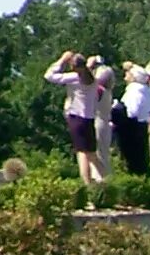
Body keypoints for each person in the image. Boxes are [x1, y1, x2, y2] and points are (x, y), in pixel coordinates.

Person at [45, 51, 106, 185]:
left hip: (76, 118)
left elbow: (49, 76)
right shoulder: (92, 79)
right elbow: (88, 68)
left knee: (82, 153)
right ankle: (106, 180)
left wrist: (62, 60)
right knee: (92, 153)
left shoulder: (74, 78)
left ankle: (87, 184)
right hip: (89, 119)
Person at [115, 64, 150, 177]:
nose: (125, 75)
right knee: (141, 159)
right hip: (141, 127)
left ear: (134, 77)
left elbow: (131, 112)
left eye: (128, 73)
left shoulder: (134, 91)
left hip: (132, 129)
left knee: (133, 160)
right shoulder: (144, 91)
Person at [90, 60, 119, 173]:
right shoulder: (108, 91)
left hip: (98, 122)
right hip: (106, 124)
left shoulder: (99, 90)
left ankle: (99, 179)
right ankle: (106, 177)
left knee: (96, 155)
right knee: (104, 154)